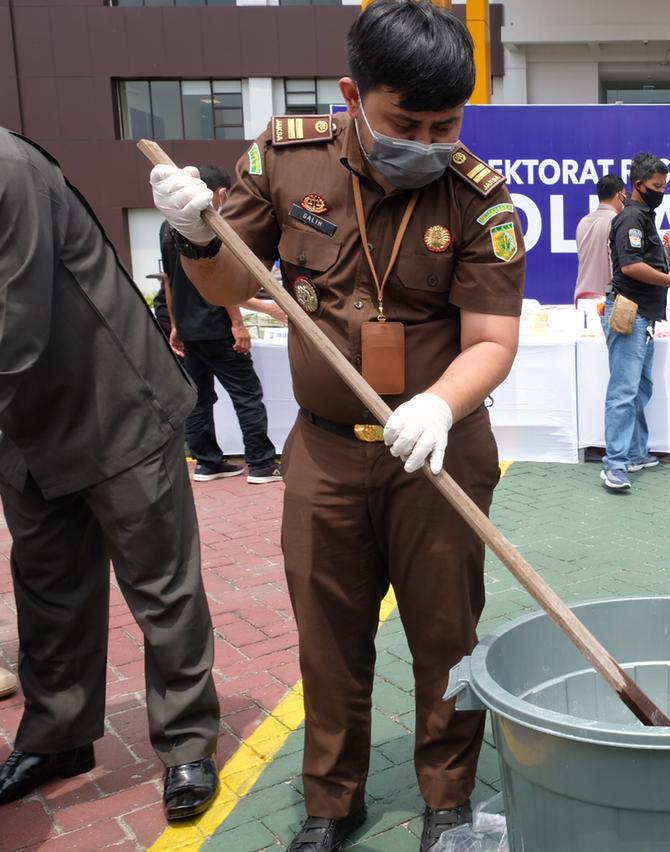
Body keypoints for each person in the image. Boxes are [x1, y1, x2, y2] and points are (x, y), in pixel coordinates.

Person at [149, 3, 526, 849]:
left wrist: (438, 403)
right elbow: (222, 287)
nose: (427, 140)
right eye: (406, 121)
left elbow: (494, 340)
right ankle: (332, 802)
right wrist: (193, 232)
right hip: (323, 448)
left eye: (447, 122)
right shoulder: (286, 160)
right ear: (353, 94)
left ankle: (447, 798)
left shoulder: (477, 198)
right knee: (329, 637)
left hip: (438, 448)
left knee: (445, 635)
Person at [0, 128, 220, 820]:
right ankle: (57, 736)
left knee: (160, 585)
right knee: (47, 590)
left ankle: (187, 742)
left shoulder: (7, 168)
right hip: (25, 425)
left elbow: (15, 318)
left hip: (113, 403)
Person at [160, 164, 285, 484]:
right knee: (246, 394)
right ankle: (260, 463)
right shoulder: (214, 223)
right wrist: (239, 324)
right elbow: (224, 285)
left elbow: (169, 282)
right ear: (221, 193)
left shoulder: (168, 225)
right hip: (218, 328)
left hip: (189, 329)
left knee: (199, 398)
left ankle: (207, 462)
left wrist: (176, 325)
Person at [599, 152, 670, 491]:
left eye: (664, 186)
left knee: (640, 388)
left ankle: (636, 452)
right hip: (629, 311)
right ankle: (614, 464)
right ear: (639, 184)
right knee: (624, 390)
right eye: (657, 186)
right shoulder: (631, 218)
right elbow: (630, 267)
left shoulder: (644, 216)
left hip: (642, 314)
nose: (663, 191)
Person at [573, 174, 625, 301]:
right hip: (608, 299)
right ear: (619, 195)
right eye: (625, 194)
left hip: (582, 296)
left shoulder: (583, 222)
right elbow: (615, 264)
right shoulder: (617, 221)